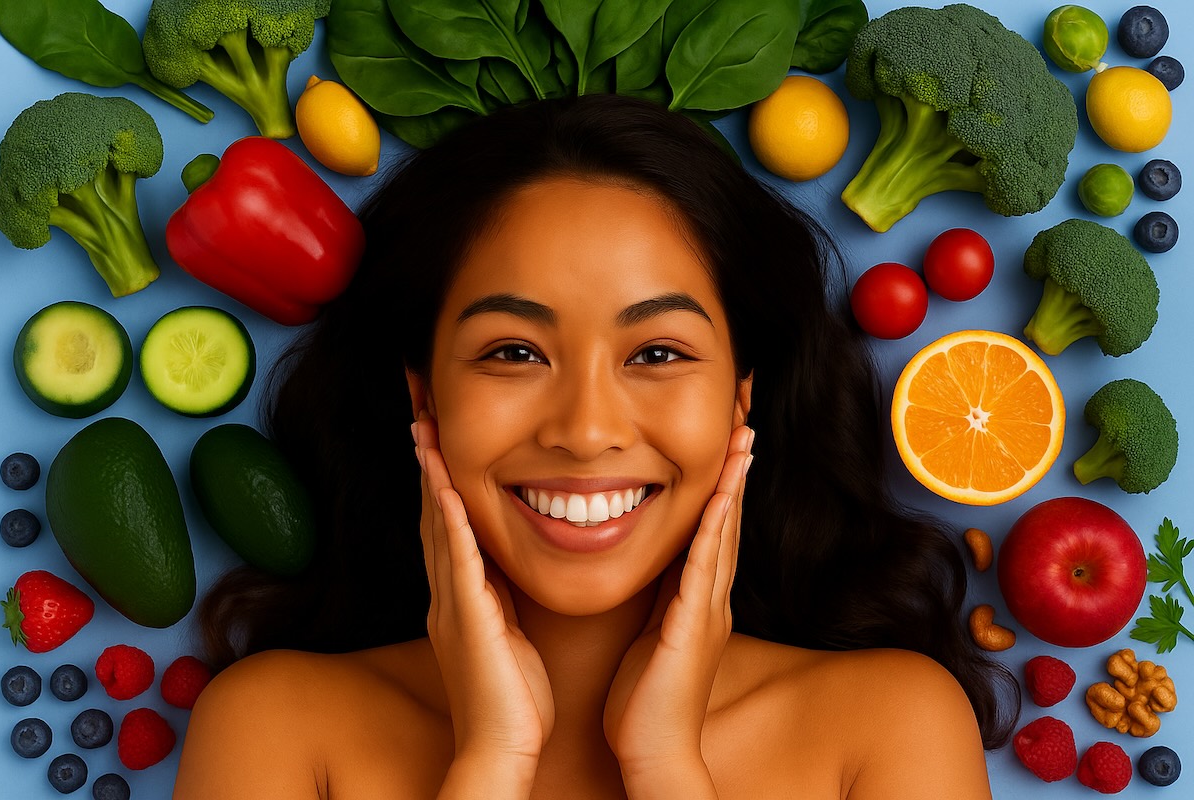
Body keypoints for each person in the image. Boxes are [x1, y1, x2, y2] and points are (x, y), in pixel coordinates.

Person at [174, 93, 1018, 799]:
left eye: (657, 354)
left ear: (741, 398)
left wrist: (666, 764)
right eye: (515, 353)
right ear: (423, 394)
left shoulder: (892, 724)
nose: (584, 432)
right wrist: (492, 760)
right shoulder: (271, 725)